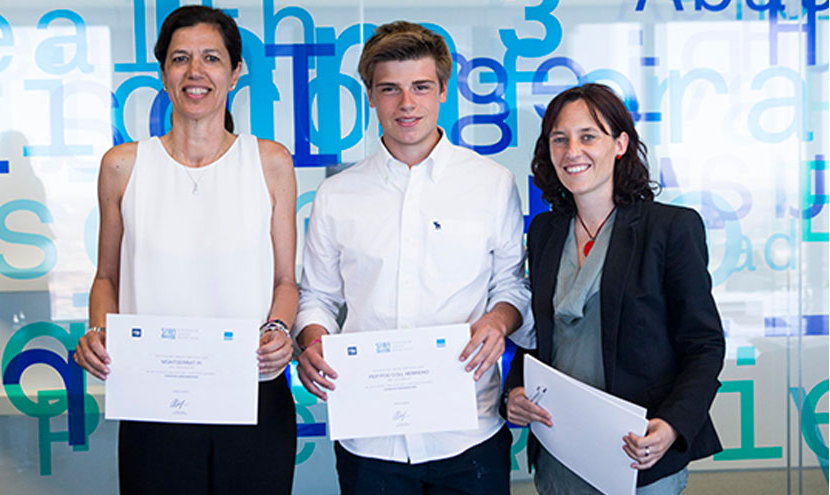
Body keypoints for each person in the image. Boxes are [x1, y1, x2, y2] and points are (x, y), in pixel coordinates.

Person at [294, 20, 531, 495]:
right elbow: (317, 296)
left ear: (443, 91)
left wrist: (498, 321)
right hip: (370, 438)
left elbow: (511, 285)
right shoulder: (337, 195)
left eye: (421, 87)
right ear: (370, 96)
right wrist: (313, 341)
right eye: (390, 89)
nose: (406, 103)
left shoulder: (492, 183)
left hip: (469, 431)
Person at [73, 6, 298, 493]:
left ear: (235, 73)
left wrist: (279, 330)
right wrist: (97, 330)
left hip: (252, 392)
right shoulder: (122, 165)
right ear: (163, 73)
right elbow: (107, 277)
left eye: (211, 58)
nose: (195, 72)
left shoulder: (270, 161)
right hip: (153, 399)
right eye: (180, 59)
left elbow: (285, 282)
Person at [503, 83, 725, 494]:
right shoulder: (545, 231)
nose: (572, 151)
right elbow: (539, 336)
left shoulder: (670, 229)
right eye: (560, 139)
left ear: (620, 144)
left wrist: (672, 425)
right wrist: (514, 390)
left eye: (588, 136)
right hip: (559, 452)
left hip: (638, 453)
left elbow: (704, 344)